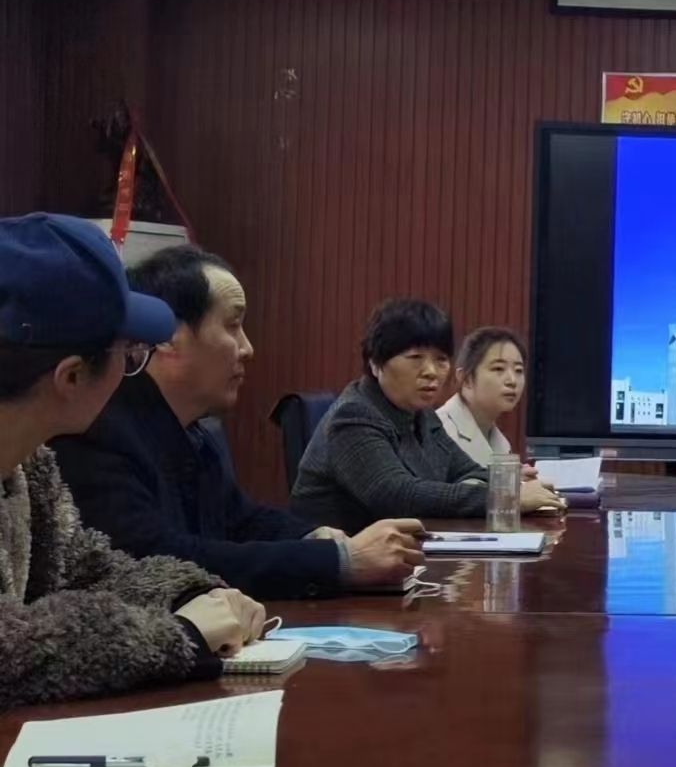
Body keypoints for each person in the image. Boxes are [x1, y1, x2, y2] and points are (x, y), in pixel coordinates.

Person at [1, 213, 268, 710]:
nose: (135, 368)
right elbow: (8, 652)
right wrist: (178, 634)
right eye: (129, 353)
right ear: (71, 377)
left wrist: (188, 593)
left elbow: (86, 567)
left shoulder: (30, 465)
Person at [52, 246, 424, 599]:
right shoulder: (97, 430)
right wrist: (339, 561)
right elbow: (155, 559)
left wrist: (318, 537)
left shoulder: (188, 429)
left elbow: (241, 520)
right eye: (232, 326)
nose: (247, 348)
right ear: (165, 337)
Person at [291, 299, 557, 531]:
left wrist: (511, 482)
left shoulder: (421, 414)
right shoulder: (354, 415)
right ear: (375, 363)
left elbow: (464, 470)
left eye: (441, 359)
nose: (431, 371)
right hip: (342, 564)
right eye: (415, 357)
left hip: (405, 554)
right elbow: (397, 495)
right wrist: (504, 498)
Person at [438, 326, 527, 467]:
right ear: (466, 379)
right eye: (498, 368)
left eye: (518, 370)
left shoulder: (502, 443)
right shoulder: (439, 432)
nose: (512, 380)